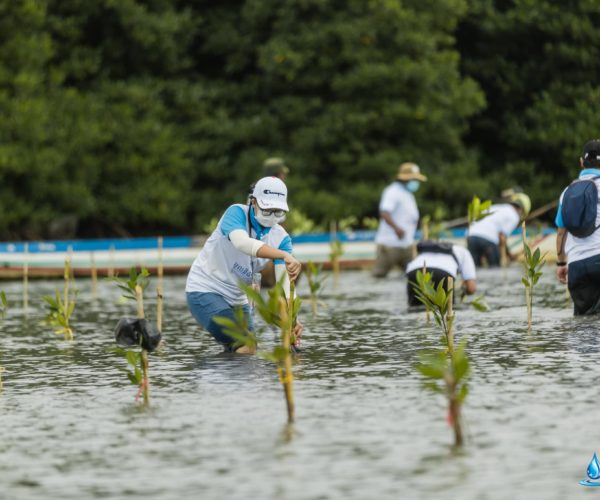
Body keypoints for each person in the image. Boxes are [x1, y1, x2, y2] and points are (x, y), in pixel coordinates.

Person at [186, 177, 303, 353]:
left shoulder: (281, 238)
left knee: (249, 349)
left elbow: (284, 287)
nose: (272, 217)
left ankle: (223, 379)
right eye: (267, 210)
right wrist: (283, 255)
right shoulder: (236, 213)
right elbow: (242, 243)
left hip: (238, 299)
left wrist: (292, 319)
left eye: (278, 212)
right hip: (205, 290)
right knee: (246, 344)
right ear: (254, 202)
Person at [555, 139, 600, 315]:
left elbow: (560, 233)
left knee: (583, 323)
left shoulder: (567, 191)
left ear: (581, 162)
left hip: (576, 266)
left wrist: (561, 263)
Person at [372, 162, 427, 278]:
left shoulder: (408, 194)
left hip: (406, 244)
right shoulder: (392, 192)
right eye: (414, 179)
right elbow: (384, 213)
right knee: (378, 277)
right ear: (406, 179)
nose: (416, 183)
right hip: (390, 244)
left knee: (414, 276)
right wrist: (397, 229)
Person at [466, 192, 531, 267]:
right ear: (522, 210)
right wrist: (508, 255)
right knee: (495, 269)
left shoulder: (498, 207)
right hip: (489, 239)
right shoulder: (514, 216)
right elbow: (502, 237)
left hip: (471, 236)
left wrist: (508, 254)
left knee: (475, 269)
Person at [406, 240, 477, 307]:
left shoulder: (427, 249)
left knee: (415, 308)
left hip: (414, 272)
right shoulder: (464, 252)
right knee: (445, 310)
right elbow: (471, 288)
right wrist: (462, 293)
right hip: (443, 273)